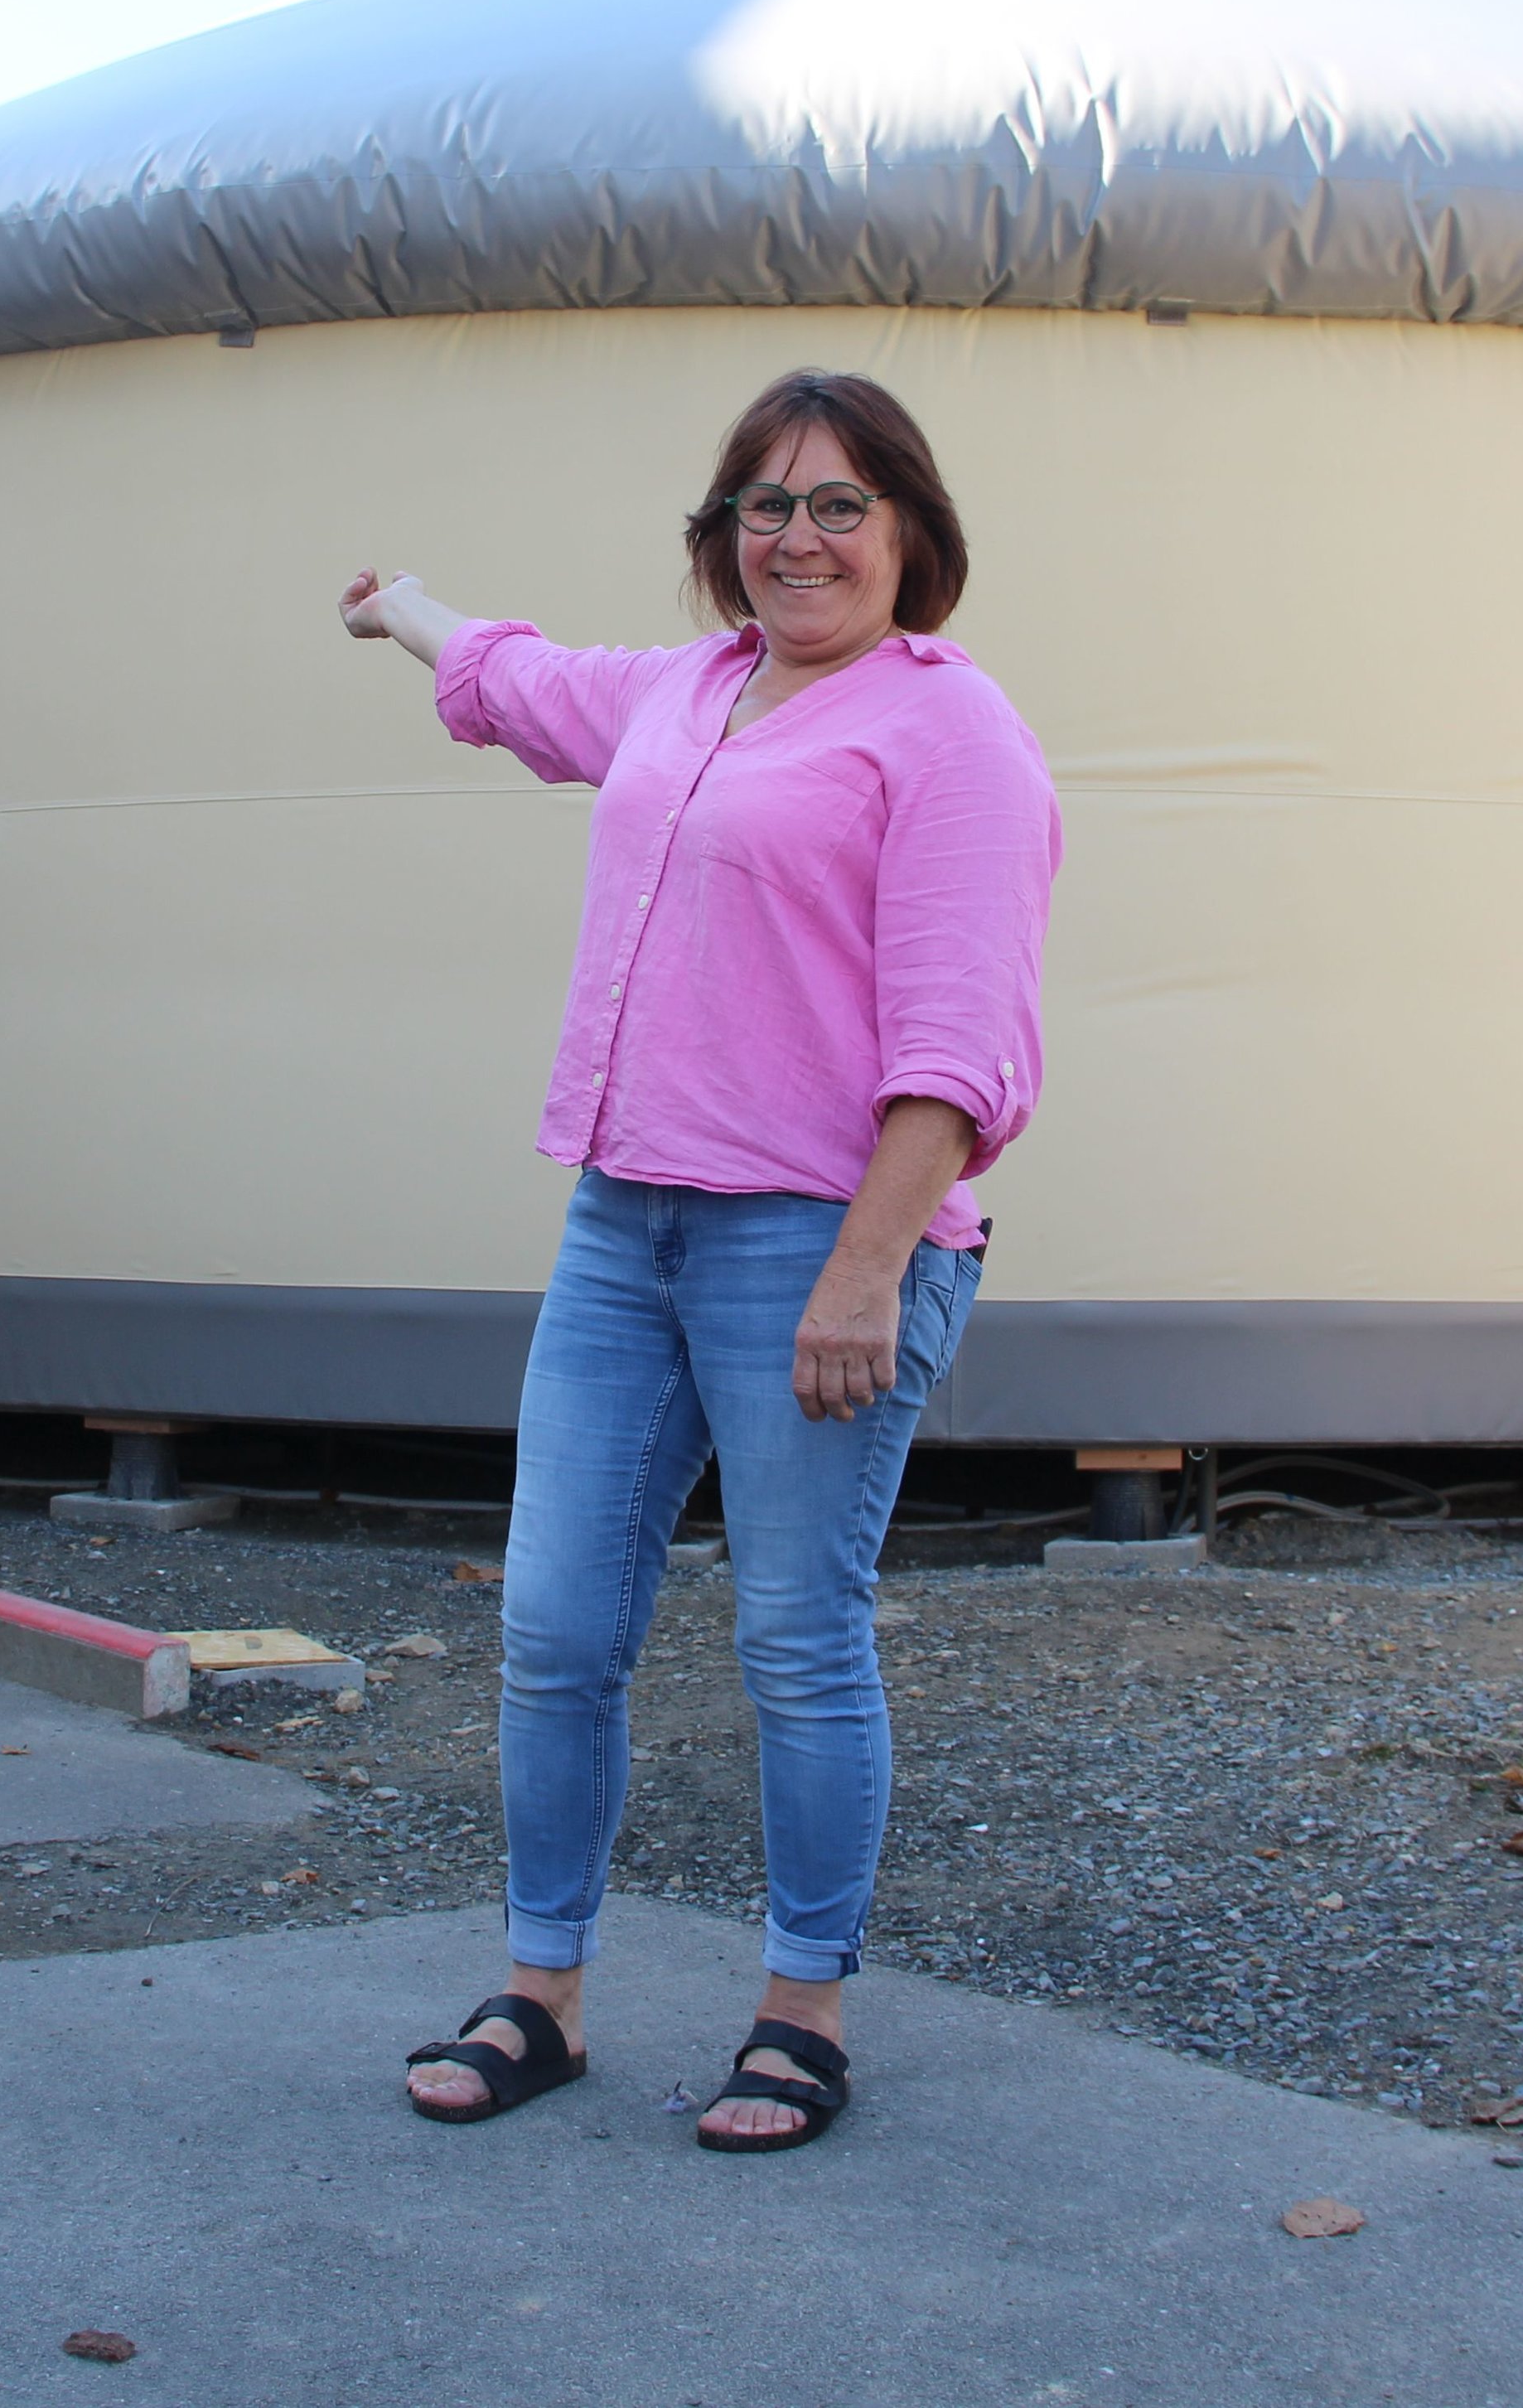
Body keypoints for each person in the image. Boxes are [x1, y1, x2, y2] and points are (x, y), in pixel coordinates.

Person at [342, 369, 1060, 2151]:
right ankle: (544, 1994)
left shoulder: (951, 732)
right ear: (718, 538)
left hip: (818, 1243)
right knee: (556, 1625)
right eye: (763, 505)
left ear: (909, 535)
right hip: (621, 1227)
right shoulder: (687, 693)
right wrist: (398, 604)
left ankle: (799, 2014)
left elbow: (960, 1039)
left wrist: (865, 1270)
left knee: (797, 1639)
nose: (797, 537)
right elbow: (519, 680)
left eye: (837, 506)